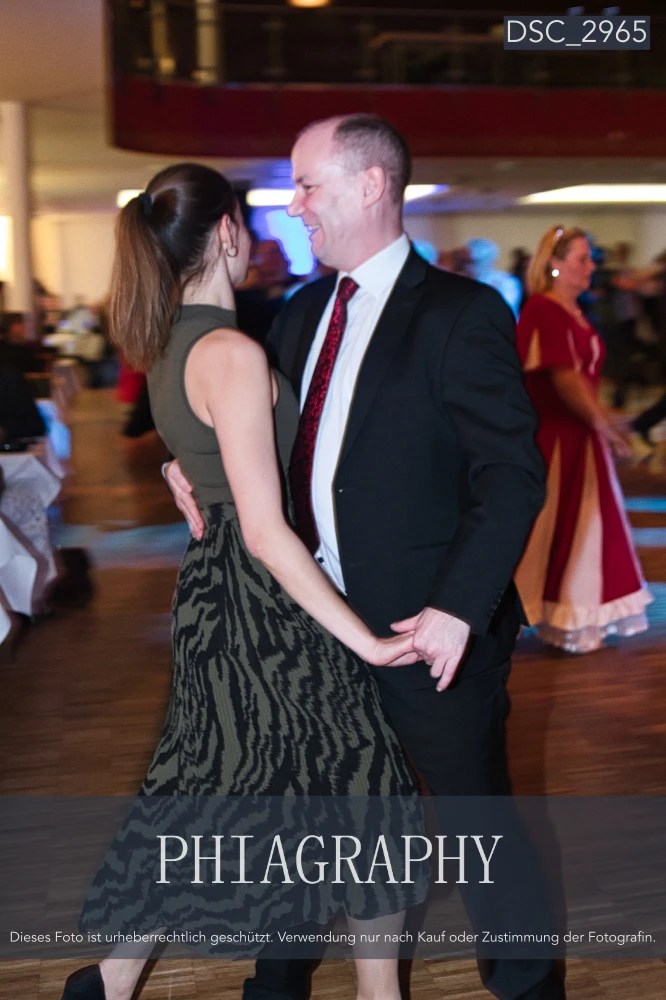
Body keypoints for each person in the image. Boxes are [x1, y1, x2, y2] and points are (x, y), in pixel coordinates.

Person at [167, 115, 564, 1000]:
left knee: (480, 827)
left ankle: (528, 987)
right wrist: (182, 464)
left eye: (308, 184)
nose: (293, 205)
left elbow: (510, 478)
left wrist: (457, 608)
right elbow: (253, 439)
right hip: (314, 623)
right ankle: (278, 984)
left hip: (428, 630)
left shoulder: (461, 313)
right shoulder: (301, 313)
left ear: (372, 185)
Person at [60, 163, 426, 1000]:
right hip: (260, 598)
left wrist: (182, 469)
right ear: (228, 231)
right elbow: (264, 528)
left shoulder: (169, 343)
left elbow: (206, 459)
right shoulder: (227, 351)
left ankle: (111, 980)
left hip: (215, 592)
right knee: (365, 787)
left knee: (202, 782)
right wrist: (367, 641)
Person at [514, 225, 652, 654]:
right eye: (581, 258)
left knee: (585, 528)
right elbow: (565, 379)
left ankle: (572, 615)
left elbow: (584, 384)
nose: (591, 267)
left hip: (579, 436)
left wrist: (615, 421)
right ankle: (559, 616)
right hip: (557, 439)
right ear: (555, 264)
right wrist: (603, 426)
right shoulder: (544, 309)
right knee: (560, 528)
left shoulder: (573, 312)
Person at [466, 237, 523, 318]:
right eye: (469, 262)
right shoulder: (464, 282)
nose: (471, 266)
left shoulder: (506, 281)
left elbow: (504, 309)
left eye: (476, 261)